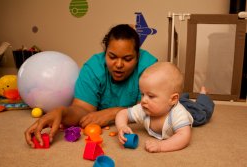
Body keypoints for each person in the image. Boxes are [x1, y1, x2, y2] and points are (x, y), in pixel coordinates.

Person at [24, 24, 158, 148]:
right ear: (105, 53)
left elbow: (154, 109)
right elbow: (82, 109)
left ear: (138, 56)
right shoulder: (93, 68)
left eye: (127, 59)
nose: (118, 65)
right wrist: (61, 112)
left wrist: (113, 113)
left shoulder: (149, 68)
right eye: (112, 57)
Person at [115, 62, 194, 153]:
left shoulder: (178, 114)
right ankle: (184, 97)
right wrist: (122, 126)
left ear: (172, 99)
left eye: (151, 96)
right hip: (174, 102)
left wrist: (161, 146)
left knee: (202, 111)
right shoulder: (144, 108)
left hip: (193, 112)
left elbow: (184, 137)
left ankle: (203, 96)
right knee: (184, 99)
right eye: (142, 94)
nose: (144, 100)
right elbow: (122, 113)